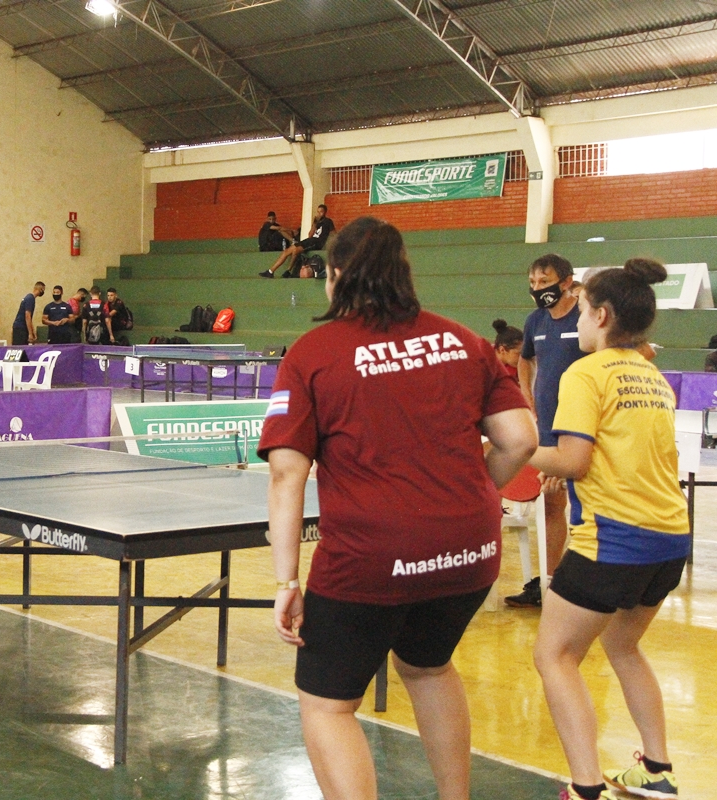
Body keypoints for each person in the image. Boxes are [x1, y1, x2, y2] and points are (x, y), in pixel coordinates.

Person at [260, 216, 536, 800]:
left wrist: (286, 579)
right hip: (470, 551)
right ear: (404, 273)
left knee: (329, 706)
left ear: (334, 276)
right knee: (429, 668)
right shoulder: (464, 341)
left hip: (370, 558)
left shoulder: (312, 353)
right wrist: (475, 498)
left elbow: (288, 474)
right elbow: (520, 440)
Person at [529, 258, 688, 800]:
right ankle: (657, 770)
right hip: (670, 540)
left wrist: (518, 451)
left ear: (600, 314)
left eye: (584, 310)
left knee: (555, 655)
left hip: (613, 540)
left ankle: (585, 786)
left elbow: (572, 460)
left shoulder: (586, 372)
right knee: (623, 645)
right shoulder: (653, 376)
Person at [509, 254, 585, 609]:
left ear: (566, 281)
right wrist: (526, 393)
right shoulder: (535, 320)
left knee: (587, 503)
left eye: (545, 281)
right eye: (534, 283)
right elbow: (525, 359)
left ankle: (587, 577)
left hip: (583, 425)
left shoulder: (585, 317)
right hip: (548, 425)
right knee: (552, 501)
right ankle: (552, 583)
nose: (538, 288)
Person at [260, 205, 335, 278]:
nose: (319, 214)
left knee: (296, 250)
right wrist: (314, 224)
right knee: (286, 251)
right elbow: (310, 235)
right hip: (310, 240)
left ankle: (288, 270)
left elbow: (333, 233)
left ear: (325, 212)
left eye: (321, 212)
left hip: (317, 242)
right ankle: (271, 271)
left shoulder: (328, 221)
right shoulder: (316, 222)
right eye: (318, 212)